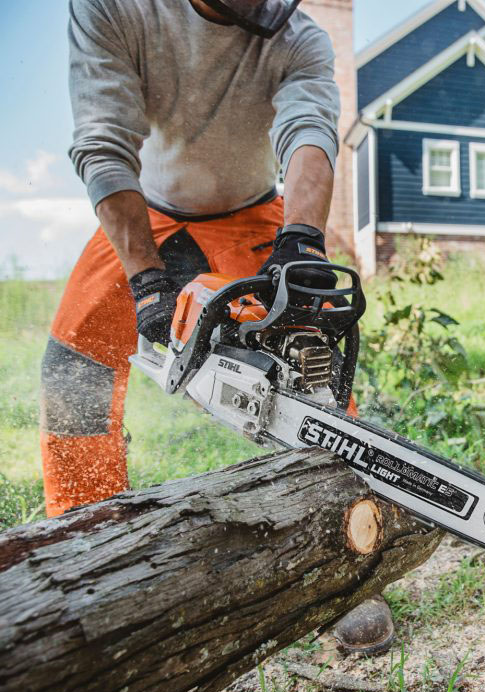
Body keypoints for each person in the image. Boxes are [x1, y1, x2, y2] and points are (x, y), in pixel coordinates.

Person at [44, 0, 393, 657]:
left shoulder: (297, 36)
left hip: (254, 211)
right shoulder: (115, 9)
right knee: (75, 363)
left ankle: (345, 554)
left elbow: (310, 134)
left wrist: (301, 242)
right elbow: (102, 140)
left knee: (309, 361)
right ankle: (80, 538)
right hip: (141, 209)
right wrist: (146, 279)